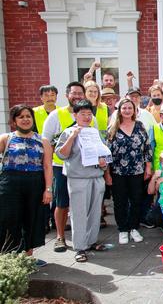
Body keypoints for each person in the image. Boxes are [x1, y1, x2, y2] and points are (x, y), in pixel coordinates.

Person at [54, 100, 109, 263]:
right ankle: (79, 247)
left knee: (94, 212)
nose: (86, 117)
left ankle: (91, 241)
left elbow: (104, 152)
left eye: (89, 114)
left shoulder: (95, 132)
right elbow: (61, 154)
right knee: (78, 213)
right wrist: (72, 136)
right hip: (78, 178)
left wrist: (103, 162)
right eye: (82, 114)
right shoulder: (69, 131)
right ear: (75, 115)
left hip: (96, 176)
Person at [0, 105, 53, 267]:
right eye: (21, 117)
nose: (25, 119)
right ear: (14, 121)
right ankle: (10, 256)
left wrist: (48, 189)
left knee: (32, 219)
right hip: (10, 183)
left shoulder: (42, 140)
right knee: (9, 219)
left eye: (28, 116)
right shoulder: (6, 138)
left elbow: (47, 166)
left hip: (35, 183)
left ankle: (28, 256)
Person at [42, 81, 92, 253]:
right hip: (60, 166)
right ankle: (60, 237)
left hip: (83, 167)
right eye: (74, 93)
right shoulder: (56, 115)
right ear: (67, 95)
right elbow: (46, 141)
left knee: (83, 204)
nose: (77, 96)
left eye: (80, 93)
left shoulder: (89, 115)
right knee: (62, 203)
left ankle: (84, 237)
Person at [107, 98, 153, 245]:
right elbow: (107, 153)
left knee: (136, 199)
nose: (127, 111)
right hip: (117, 171)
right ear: (119, 110)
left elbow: (147, 147)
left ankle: (134, 227)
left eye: (130, 108)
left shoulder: (139, 126)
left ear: (134, 111)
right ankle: (122, 229)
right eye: (124, 108)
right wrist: (107, 173)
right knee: (120, 201)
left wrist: (148, 167)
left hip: (137, 170)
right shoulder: (113, 128)